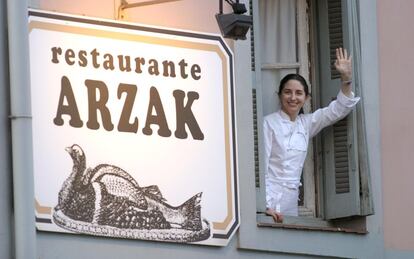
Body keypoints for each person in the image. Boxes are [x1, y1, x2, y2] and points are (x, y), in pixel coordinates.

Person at [263, 48, 360, 223]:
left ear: (306, 98)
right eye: (287, 92)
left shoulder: (306, 123)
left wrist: (346, 79)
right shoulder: (268, 123)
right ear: (279, 95)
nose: (293, 97)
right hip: (269, 202)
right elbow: (261, 168)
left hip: (291, 204)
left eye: (299, 93)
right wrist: (264, 205)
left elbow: (339, 109)